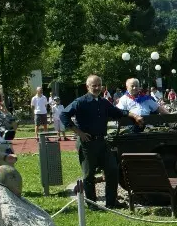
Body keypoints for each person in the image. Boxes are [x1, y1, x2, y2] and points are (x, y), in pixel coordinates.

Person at [60, 75, 144, 209]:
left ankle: (111, 203)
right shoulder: (80, 102)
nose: (97, 87)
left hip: (102, 142)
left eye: (99, 85)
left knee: (112, 170)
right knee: (89, 175)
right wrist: (79, 132)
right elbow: (63, 115)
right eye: (94, 85)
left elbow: (118, 112)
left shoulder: (103, 102)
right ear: (88, 87)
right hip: (87, 143)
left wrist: (134, 115)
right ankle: (92, 204)